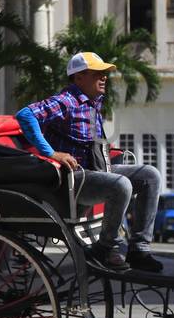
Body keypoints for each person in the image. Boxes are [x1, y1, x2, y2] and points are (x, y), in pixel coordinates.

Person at [16, 51, 163, 272]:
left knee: (150, 175)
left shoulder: (93, 103)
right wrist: (51, 153)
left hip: (95, 171)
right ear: (78, 78)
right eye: (97, 73)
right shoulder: (67, 101)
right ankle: (105, 247)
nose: (103, 77)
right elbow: (26, 115)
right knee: (121, 184)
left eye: (104, 73)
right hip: (72, 179)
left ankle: (139, 249)